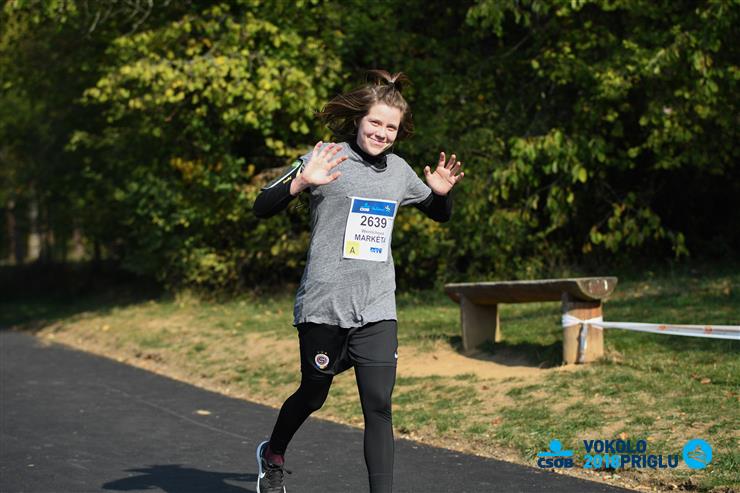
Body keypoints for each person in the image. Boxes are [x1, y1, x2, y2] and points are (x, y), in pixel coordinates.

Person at [252, 69, 464, 493]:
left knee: (379, 405)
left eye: (391, 128)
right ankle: (272, 454)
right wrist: (301, 181)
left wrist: (442, 194)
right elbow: (262, 205)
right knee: (314, 394)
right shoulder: (326, 157)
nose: (382, 133)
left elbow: (439, 214)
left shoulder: (399, 171)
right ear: (358, 119)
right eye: (375, 123)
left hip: (376, 305)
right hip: (324, 304)